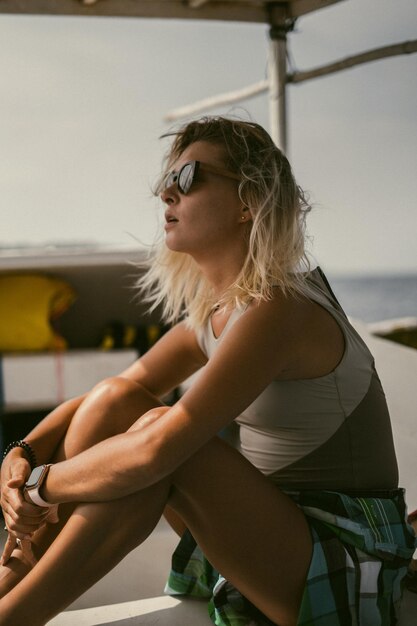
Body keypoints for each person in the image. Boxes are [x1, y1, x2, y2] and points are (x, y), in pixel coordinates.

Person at [0, 116, 415, 626]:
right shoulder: (219, 314)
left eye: (189, 178)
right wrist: (21, 456)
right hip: (271, 540)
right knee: (117, 400)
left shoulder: (280, 309)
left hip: (346, 561)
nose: (167, 196)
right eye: (165, 183)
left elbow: (158, 451)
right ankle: (13, 582)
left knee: (162, 441)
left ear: (249, 202)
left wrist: (43, 486)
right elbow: (113, 397)